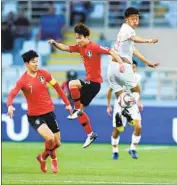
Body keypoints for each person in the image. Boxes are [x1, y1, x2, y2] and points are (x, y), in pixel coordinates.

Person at [48, 23, 125, 148]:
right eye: (76, 38)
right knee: (79, 111)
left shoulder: (94, 47)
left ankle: (77, 110)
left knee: (72, 83)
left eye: (79, 38)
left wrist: (120, 63)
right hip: (90, 84)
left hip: (94, 83)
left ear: (86, 37)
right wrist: (55, 44)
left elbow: (111, 51)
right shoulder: (79, 47)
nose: (77, 40)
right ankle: (90, 134)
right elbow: (66, 48)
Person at [6, 50, 72, 173]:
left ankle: (42, 157)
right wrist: (10, 105)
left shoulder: (44, 74)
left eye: (37, 61)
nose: (36, 64)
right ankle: (54, 158)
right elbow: (12, 93)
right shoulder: (23, 80)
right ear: (26, 64)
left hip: (49, 112)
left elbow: (57, 87)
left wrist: (67, 104)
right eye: (33, 62)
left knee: (57, 143)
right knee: (50, 138)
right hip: (35, 115)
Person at [107, 7, 160, 159]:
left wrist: (148, 62)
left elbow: (134, 50)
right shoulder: (127, 29)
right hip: (122, 66)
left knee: (123, 97)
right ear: (127, 20)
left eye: (137, 18)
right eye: (133, 18)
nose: (135, 21)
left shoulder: (125, 34)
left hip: (113, 69)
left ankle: (124, 110)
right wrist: (149, 40)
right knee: (136, 89)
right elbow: (136, 39)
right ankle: (116, 149)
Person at [107, 61, 143, 160]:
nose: (133, 69)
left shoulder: (136, 77)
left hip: (132, 104)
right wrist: (108, 106)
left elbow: (138, 90)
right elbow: (109, 91)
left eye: (134, 67)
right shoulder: (119, 76)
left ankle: (132, 149)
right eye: (131, 67)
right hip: (119, 105)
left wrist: (139, 101)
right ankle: (115, 151)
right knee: (117, 130)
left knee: (138, 127)